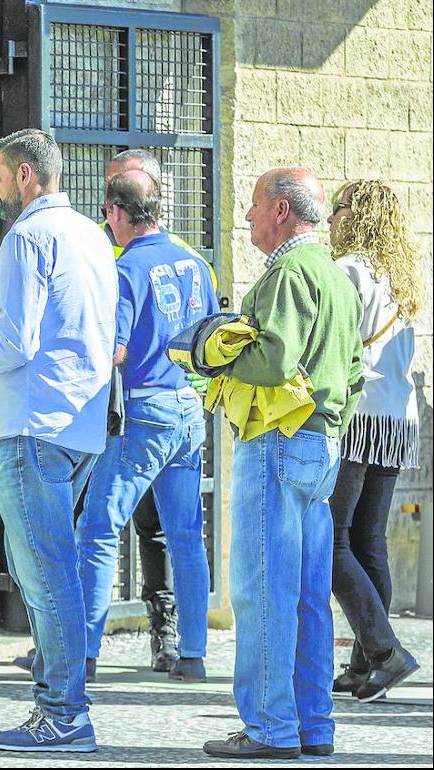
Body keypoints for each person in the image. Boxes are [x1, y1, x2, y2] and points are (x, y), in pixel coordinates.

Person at [0, 129, 116, 752]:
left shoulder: (27, 237)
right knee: (62, 572)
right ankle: (62, 706)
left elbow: (14, 344)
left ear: (25, 176)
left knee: (48, 578)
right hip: (79, 421)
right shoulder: (92, 234)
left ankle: (64, 713)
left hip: (33, 425)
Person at [203, 168, 363, 760]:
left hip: (276, 440)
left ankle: (269, 729)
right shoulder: (338, 275)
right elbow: (351, 372)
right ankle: (313, 725)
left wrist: (215, 358)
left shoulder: (289, 273)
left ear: (280, 210)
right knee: (307, 595)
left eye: (251, 206)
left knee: (261, 591)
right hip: (323, 445)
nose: (245, 218)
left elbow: (272, 361)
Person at [75, 170, 217, 685]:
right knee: (185, 537)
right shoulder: (195, 264)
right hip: (187, 407)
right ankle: (194, 654)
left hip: (142, 410)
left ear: (115, 211)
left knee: (98, 529)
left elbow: (115, 348)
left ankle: (85, 654)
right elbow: (213, 335)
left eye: (107, 215)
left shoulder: (127, 268)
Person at [326, 180, 423, 703]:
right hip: (396, 418)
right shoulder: (398, 275)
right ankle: (367, 666)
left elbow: (338, 344)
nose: (331, 219)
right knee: (369, 541)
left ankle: (385, 652)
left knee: (333, 540)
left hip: (359, 415)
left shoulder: (349, 271)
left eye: (338, 210)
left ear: (355, 215)